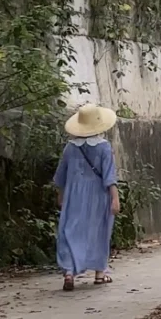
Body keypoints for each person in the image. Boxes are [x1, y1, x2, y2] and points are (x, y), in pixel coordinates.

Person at [53, 103, 121, 291]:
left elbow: (61, 176)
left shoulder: (70, 148)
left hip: (73, 195)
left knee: (69, 230)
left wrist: (61, 195)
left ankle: (69, 272)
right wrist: (115, 198)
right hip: (98, 195)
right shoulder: (104, 147)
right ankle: (100, 273)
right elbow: (109, 176)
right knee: (99, 230)